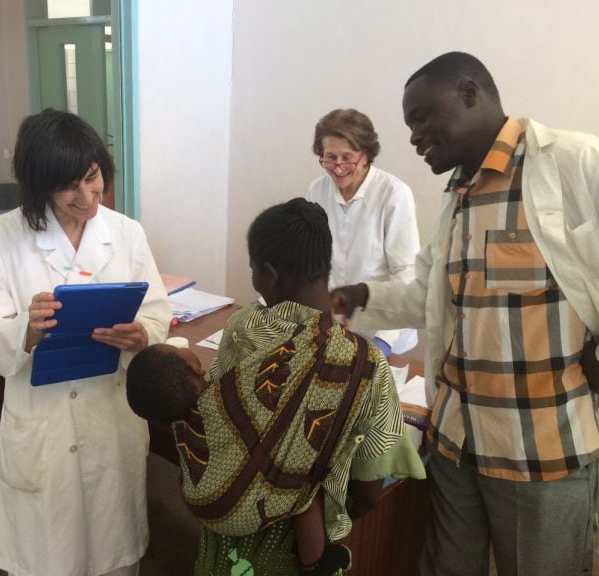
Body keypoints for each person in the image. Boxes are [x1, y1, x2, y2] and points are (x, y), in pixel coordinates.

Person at [332, 51, 599, 576]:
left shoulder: (573, 164)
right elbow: (429, 298)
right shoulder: (456, 200)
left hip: (541, 455)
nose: (413, 136)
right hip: (455, 447)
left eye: (423, 117)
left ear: (469, 93)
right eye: (409, 124)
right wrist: (360, 297)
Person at [133, 198, 425, 576]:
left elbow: (213, 418)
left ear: (269, 275)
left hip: (229, 542)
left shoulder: (243, 326)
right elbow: (369, 490)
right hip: (295, 551)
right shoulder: (367, 365)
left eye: (253, 269)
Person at [0, 109, 172, 576]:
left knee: (113, 554)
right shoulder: (0, 238)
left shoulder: (126, 232)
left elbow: (157, 311)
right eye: (68, 188)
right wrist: (27, 328)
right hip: (44, 421)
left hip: (110, 413)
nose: (86, 197)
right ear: (39, 186)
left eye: (92, 178)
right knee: (49, 556)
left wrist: (143, 334)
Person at [126, 343, 351, 576]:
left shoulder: (179, 423)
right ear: (195, 367)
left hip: (217, 510)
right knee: (307, 495)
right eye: (178, 347)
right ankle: (315, 566)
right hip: (261, 501)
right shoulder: (232, 399)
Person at [307, 108, 420, 356]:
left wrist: (384, 341)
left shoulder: (393, 194)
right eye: (330, 157)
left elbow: (405, 274)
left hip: (383, 330)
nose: (338, 168)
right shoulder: (317, 191)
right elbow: (311, 263)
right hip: (332, 331)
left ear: (366, 154)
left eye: (347, 157)